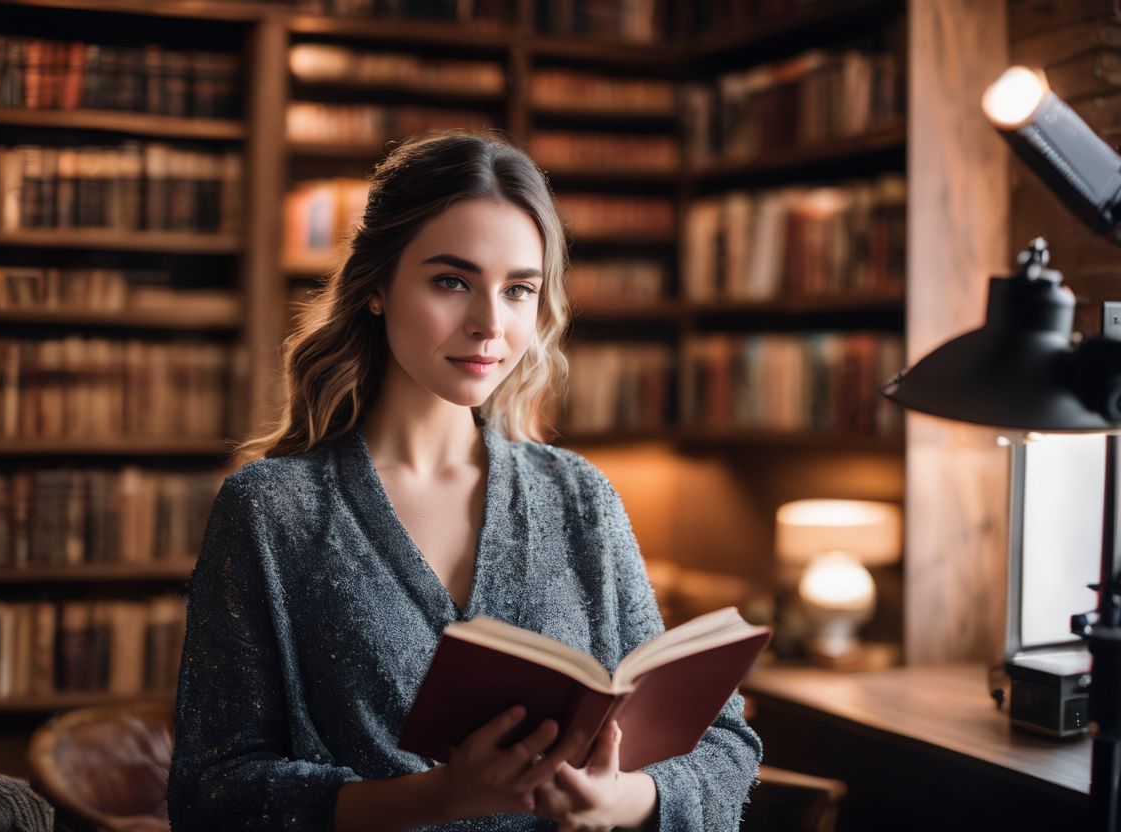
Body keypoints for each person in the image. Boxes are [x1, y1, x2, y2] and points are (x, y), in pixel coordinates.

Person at [167, 130, 762, 831]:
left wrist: (623, 801)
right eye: (452, 281)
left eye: (518, 291)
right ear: (378, 287)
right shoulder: (272, 511)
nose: (489, 325)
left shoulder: (578, 498)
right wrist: (440, 798)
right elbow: (211, 793)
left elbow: (725, 747)